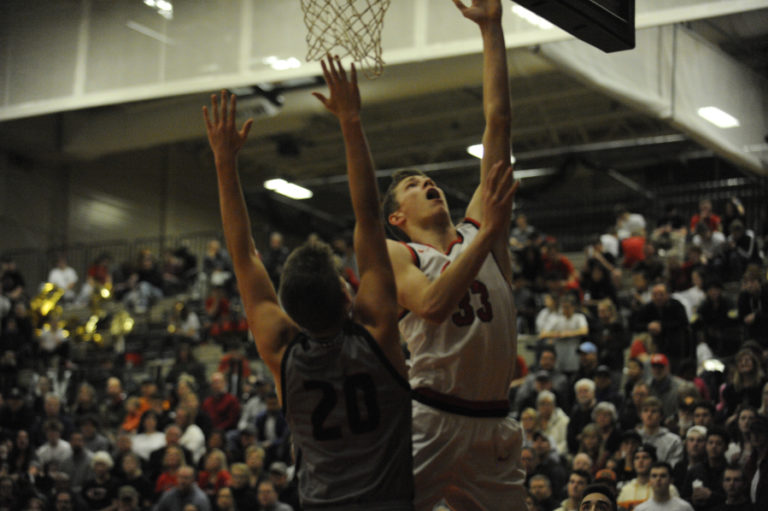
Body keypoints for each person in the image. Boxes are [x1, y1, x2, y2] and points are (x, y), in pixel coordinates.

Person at [203, 54, 413, 508]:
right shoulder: (377, 332)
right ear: (346, 293)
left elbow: (243, 256)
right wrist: (350, 120)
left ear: (290, 312)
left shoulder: (282, 350)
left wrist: (224, 162)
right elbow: (369, 219)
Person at [380, 1, 522, 508]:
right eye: (415, 187)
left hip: (494, 422)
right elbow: (435, 305)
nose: (428, 185)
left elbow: (498, 124)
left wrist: (492, 30)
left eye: (430, 180)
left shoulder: (478, 229)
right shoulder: (400, 255)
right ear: (398, 217)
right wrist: (487, 238)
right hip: (432, 416)